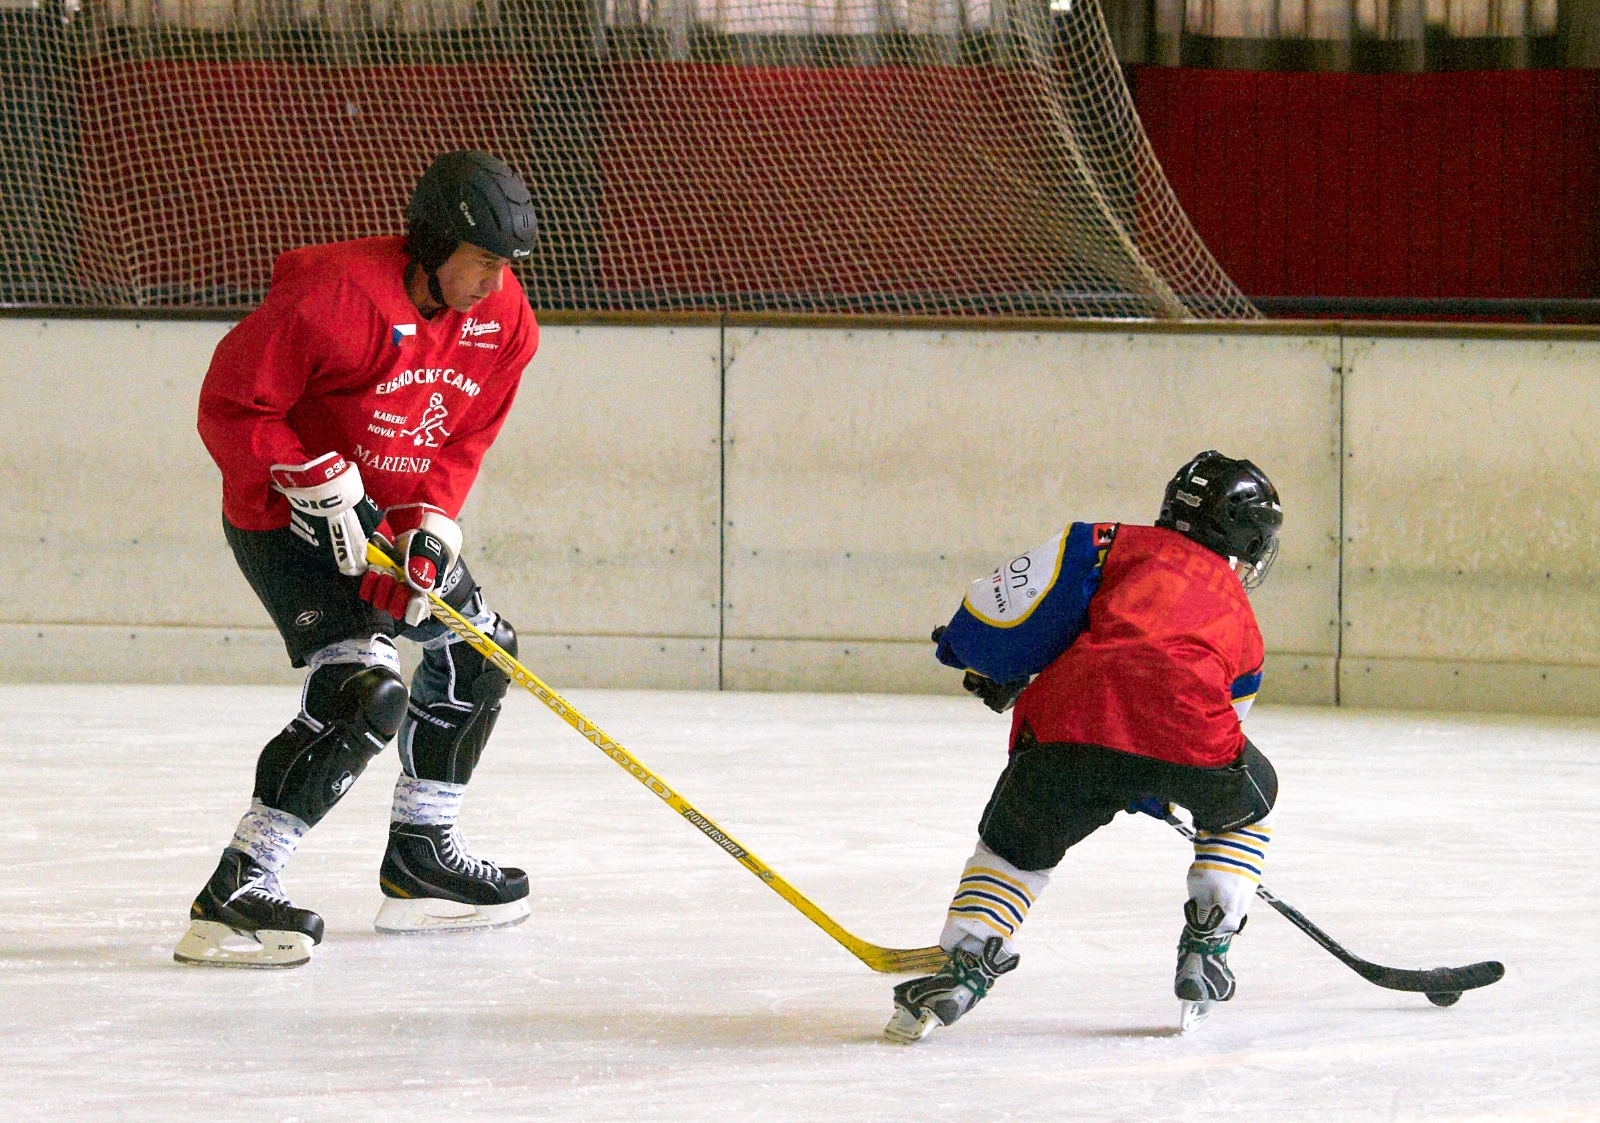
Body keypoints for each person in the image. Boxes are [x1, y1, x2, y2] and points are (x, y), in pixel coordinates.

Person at [177, 150, 541, 968]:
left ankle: (422, 858)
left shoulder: (504, 318)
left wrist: (434, 523)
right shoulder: (331, 296)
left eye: (504, 265)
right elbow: (232, 404)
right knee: (362, 692)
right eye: (482, 261)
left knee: (481, 652)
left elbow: (464, 433)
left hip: (392, 523)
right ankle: (236, 890)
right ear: (435, 242)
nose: (494, 281)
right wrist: (308, 477)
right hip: (286, 518)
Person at [885, 451, 1284, 1040]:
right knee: (1249, 801)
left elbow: (991, 617)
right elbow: (1218, 728)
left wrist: (980, 660)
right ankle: (1210, 940)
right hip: (1189, 741)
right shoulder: (1241, 617)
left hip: (1066, 735)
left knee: (1015, 851)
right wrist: (1154, 781)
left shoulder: (1103, 542)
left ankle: (965, 963)